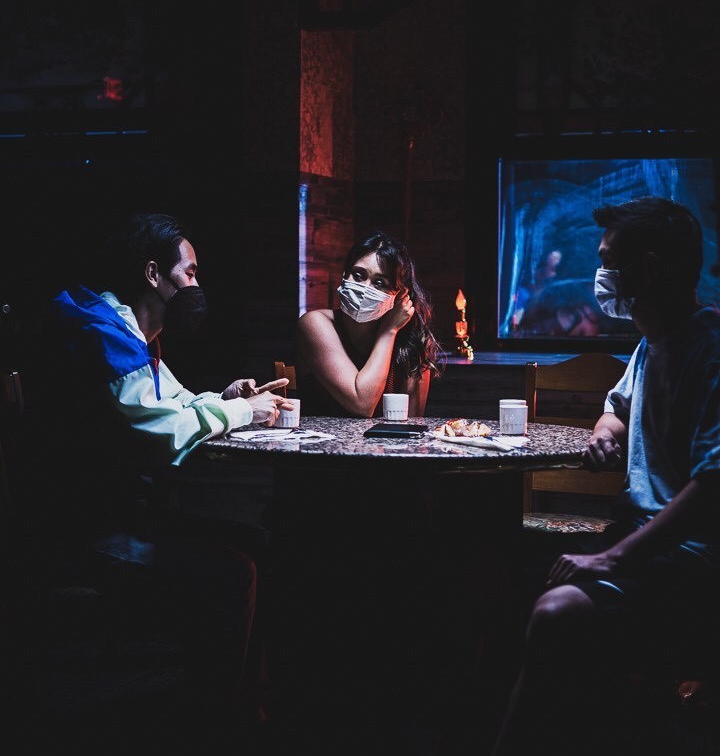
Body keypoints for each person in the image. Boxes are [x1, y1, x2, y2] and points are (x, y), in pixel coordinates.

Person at [394, 196, 720, 756]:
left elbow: (712, 487)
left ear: (648, 269)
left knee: (556, 612)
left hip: (693, 564)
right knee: (491, 580)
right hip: (642, 546)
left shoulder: (709, 348)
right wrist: (606, 427)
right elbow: (619, 404)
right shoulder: (652, 344)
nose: (599, 277)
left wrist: (611, 557)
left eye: (609, 263)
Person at [30, 212, 295, 729]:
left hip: (130, 516)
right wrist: (242, 413)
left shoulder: (130, 332)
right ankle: (217, 717)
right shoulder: (105, 335)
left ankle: (241, 696)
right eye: (189, 273)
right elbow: (161, 429)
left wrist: (227, 398)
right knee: (235, 570)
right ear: (153, 274)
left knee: (257, 544)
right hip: (96, 532)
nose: (196, 286)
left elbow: (172, 400)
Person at [295, 231, 442, 417]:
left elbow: (413, 423)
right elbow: (362, 404)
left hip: (384, 438)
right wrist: (388, 331)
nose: (365, 288)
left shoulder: (411, 342)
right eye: (358, 275)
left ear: (400, 297)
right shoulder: (315, 324)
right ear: (344, 275)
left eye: (379, 283)